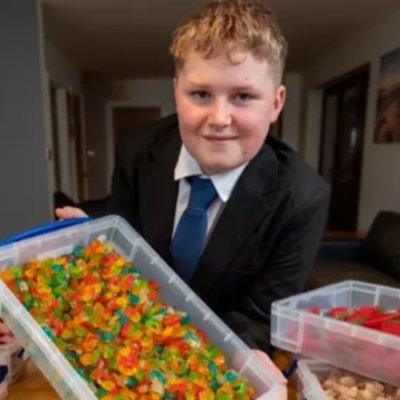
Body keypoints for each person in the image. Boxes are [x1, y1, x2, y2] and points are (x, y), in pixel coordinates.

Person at [57, 0, 330, 388]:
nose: (219, 119)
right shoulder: (137, 147)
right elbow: (126, 237)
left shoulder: (303, 198)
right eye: (200, 94)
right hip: (129, 345)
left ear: (276, 103)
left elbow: (259, 314)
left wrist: (246, 353)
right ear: (176, 92)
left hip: (216, 361)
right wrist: (95, 243)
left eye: (243, 96)